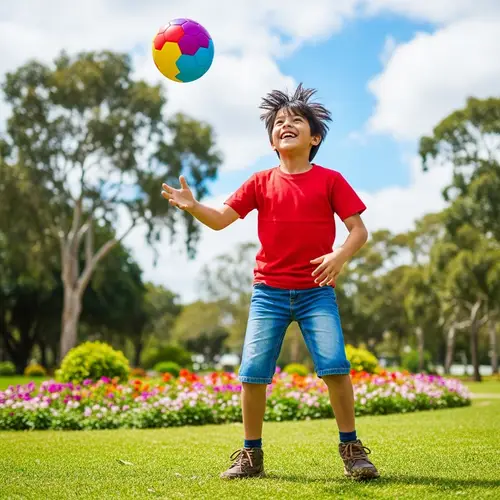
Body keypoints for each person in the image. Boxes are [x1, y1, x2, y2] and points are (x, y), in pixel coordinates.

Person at [161, 83, 380, 481]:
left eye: (296, 120)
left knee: (334, 366)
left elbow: (358, 231)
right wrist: (193, 206)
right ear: (272, 141)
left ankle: (352, 449)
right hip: (269, 294)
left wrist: (340, 256)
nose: (286, 125)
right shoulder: (261, 182)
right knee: (253, 372)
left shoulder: (331, 180)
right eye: (279, 122)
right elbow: (221, 219)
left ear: (314, 137)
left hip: (317, 293)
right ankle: (250, 455)